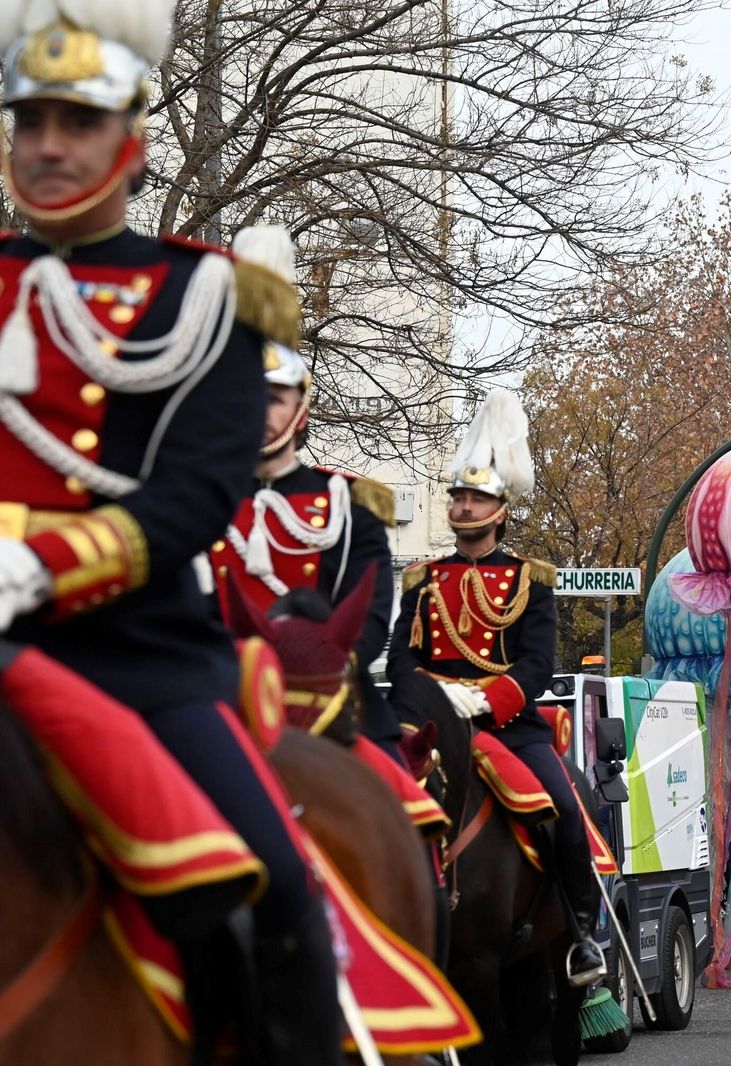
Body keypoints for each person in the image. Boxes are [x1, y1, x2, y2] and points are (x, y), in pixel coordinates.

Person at [0, 5, 343, 1060]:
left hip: (135, 656)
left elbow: (195, 494)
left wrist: (36, 566)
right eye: (30, 119)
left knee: (278, 888)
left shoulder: (209, 298)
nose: (48, 145)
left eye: (78, 121)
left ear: (134, 139)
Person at [387, 388, 606, 987]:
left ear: (500, 508)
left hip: (507, 725)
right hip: (432, 725)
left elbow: (537, 664)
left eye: (477, 497)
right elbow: (401, 659)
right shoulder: (421, 579)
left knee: (566, 810)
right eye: (458, 496)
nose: (464, 506)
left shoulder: (531, 579)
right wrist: (433, 699)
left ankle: (583, 935)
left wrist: (487, 698)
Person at [206, 229, 404, 764]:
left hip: (326, 694)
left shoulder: (350, 504)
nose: (258, 410)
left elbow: (372, 611)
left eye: (273, 398)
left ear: (302, 408)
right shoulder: (200, 497)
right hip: (219, 695)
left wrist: (329, 666)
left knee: (408, 803)